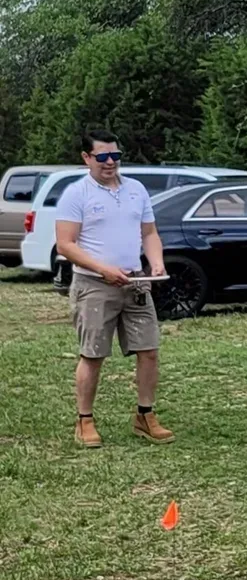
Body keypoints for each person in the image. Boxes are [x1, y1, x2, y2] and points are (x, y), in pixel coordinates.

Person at [55, 130, 175, 448]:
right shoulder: (75, 194)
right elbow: (65, 245)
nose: (110, 163)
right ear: (86, 158)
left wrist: (156, 262)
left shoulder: (136, 190)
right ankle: (85, 421)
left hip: (135, 282)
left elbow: (149, 234)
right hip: (94, 285)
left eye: (116, 156)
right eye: (103, 157)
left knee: (148, 352)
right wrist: (103, 270)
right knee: (93, 354)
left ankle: (145, 417)